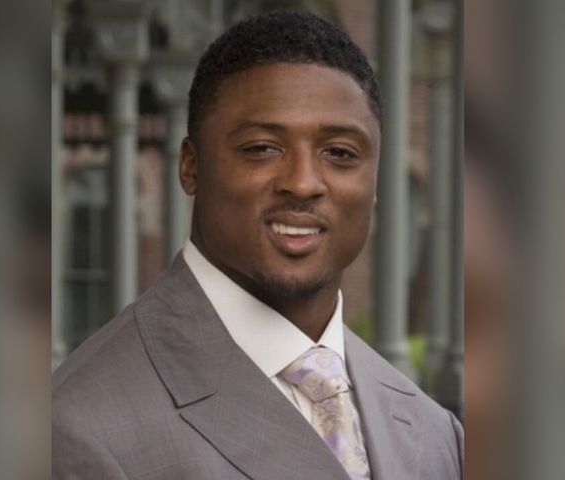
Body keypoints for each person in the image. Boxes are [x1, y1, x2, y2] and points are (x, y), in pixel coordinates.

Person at [53, 11, 463, 479]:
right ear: (190, 166)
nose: (303, 183)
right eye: (262, 148)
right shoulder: (79, 429)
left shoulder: (434, 432)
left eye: (340, 153)